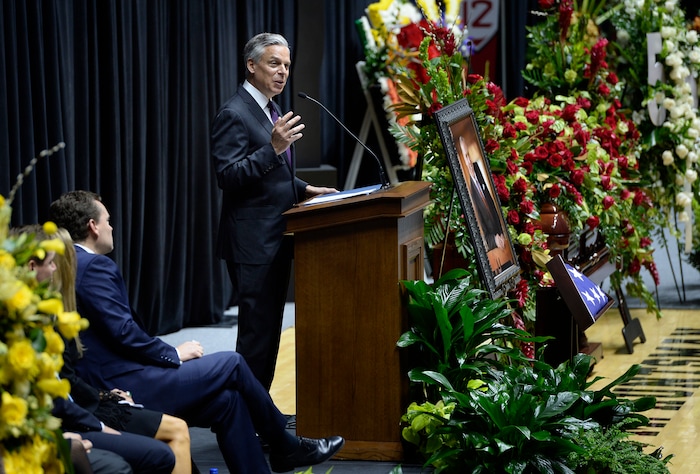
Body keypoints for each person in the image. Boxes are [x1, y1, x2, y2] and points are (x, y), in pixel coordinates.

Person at [49, 190, 344, 474]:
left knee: (229, 401)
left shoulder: (71, 265)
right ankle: (285, 445)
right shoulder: (93, 266)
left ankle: (278, 453)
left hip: (114, 375)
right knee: (233, 363)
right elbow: (124, 332)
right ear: (93, 226)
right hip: (122, 383)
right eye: (108, 220)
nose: (112, 226)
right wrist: (173, 353)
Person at [210, 32, 337, 390]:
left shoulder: (270, 108)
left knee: (268, 335)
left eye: (286, 65)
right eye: (274, 64)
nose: (282, 72)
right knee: (255, 338)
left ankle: (261, 413)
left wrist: (304, 189)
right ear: (251, 66)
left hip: (275, 237)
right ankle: (244, 420)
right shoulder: (234, 114)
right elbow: (229, 176)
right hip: (252, 244)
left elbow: (272, 176)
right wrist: (273, 148)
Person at [18, 224, 189, 474]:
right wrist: (97, 422)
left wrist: (104, 395)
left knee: (220, 400)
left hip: (88, 398)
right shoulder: (36, 319)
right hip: (75, 413)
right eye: (57, 260)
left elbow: (66, 379)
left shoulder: (51, 311)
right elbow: (62, 389)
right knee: (169, 441)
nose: (63, 266)